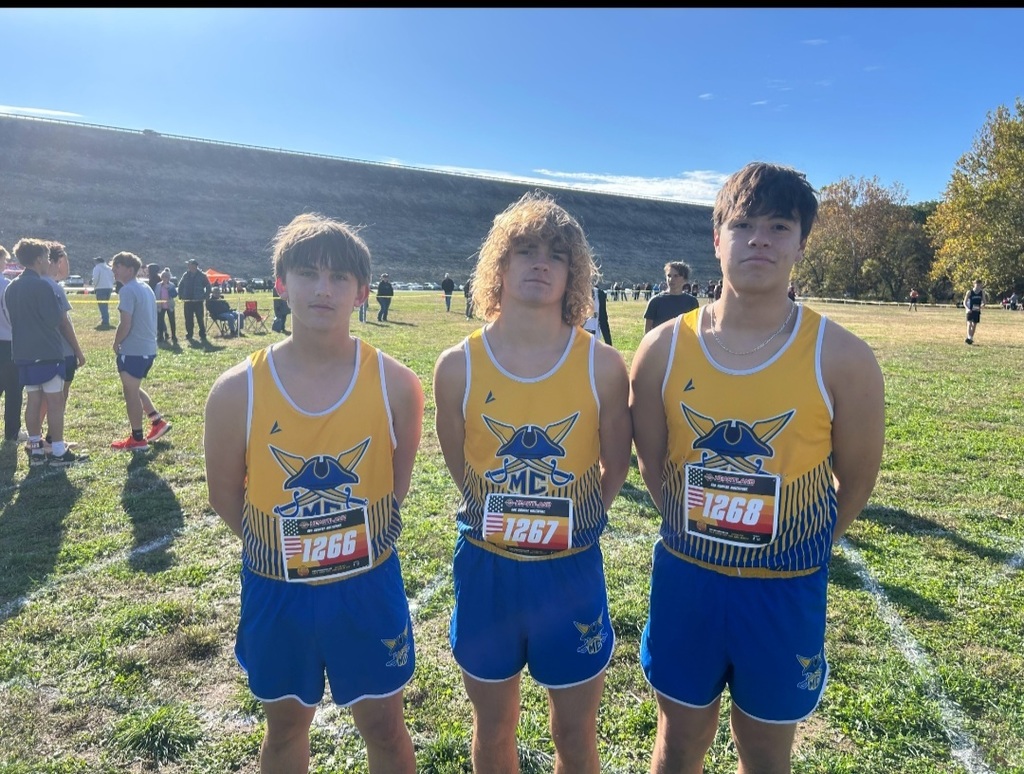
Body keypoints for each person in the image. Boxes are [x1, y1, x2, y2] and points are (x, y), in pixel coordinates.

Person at [629, 162, 885, 774]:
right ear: (716, 239)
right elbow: (652, 463)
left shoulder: (844, 358)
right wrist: (698, 525)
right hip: (688, 581)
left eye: (778, 225)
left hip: (783, 590)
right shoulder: (662, 347)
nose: (760, 240)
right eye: (743, 225)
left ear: (801, 243)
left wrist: (797, 540)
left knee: (767, 755)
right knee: (680, 742)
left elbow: (857, 480)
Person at [204, 212, 423, 773]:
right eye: (307, 274)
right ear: (280, 284)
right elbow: (226, 496)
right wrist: (289, 549)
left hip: (366, 587)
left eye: (339, 278)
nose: (323, 289)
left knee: (386, 729)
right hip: (278, 592)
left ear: (361, 292)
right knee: (283, 734)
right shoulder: (236, 390)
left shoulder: (397, 384)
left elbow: (395, 488)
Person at [433, 190, 632, 773]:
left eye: (556, 254)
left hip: (568, 573)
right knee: (493, 728)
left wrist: (573, 520)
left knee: (574, 731)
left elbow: (615, 466)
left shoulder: (601, 363)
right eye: (525, 250)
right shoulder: (456, 365)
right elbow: (459, 463)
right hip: (487, 568)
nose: (540, 263)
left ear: (574, 273)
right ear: (500, 265)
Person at [5, 238, 84, 466]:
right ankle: (58, 450)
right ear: (39, 259)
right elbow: (54, 320)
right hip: (47, 351)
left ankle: (36, 448)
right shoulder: (42, 285)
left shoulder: (12, 286)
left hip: (22, 352)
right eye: (46, 258)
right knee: (55, 401)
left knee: (32, 400)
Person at [110, 251, 172, 451]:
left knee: (130, 392)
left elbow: (125, 324)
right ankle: (156, 421)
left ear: (130, 269)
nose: (113, 269)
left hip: (134, 349)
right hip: (147, 348)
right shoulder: (145, 287)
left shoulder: (127, 290)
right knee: (133, 388)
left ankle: (137, 438)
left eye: (117, 266)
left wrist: (116, 342)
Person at [33, 242, 86, 455]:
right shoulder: (51, 286)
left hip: (42, 349)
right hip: (61, 350)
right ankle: (50, 440)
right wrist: (78, 350)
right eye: (60, 260)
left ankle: (43, 438)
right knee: (56, 397)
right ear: (53, 261)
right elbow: (64, 323)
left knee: (45, 397)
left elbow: (64, 273)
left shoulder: (37, 283)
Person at [0, 245, 25, 444]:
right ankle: (12, 432)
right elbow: (12, 316)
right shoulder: (6, 285)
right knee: (14, 389)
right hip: (7, 342)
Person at [644, 261, 700, 334]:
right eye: (669, 276)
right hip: (661, 343)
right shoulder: (655, 301)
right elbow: (647, 330)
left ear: (685, 279)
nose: (671, 279)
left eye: (676, 276)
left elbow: (695, 327)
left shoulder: (692, 302)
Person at [178, 258, 211, 342]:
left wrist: (205, 296)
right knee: (188, 319)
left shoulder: (202, 275)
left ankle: (202, 334)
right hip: (188, 300)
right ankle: (189, 334)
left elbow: (208, 286)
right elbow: (180, 285)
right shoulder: (186, 275)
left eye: (190, 264)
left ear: (194, 266)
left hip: (198, 301)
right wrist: (181, 295)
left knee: (200, 318)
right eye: (188, 265)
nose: (188, 266)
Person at [582, 279, 612, 345]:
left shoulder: (599, 294)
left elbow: (603, 320)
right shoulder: (571, 294)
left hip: (594, 340)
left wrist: (609, 343)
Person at [91, 255, 116, 328]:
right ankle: (105, 319)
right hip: (109, 288)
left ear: (98, 261)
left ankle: (105, 321)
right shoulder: (109, 268)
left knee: (102, 306)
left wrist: (94, 285)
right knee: (105, 305)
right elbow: (113, 278)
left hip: (100, 288)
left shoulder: (97, 268)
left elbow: (95, 278)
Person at [155, 268, 178, 343]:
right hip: (160, 307)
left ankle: (174, 336)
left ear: (169, 278)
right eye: (163, 277)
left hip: (169, 306)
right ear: (161, 277)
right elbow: (156, 295)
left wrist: (169, 289)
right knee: (160, 321)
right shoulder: (158, 285)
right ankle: (160, 336)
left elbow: (174, 295)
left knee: (172, 321)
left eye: (166, 277)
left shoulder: (171, 285)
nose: (165, 278)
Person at [963, 279, 986, 344]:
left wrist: (982, 306)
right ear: (974, 284)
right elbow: (964, 302)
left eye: (979, 285)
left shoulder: (982, 292)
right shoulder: (969, 292)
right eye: (977, 284)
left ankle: (971, 337)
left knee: (974, 324)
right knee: (969, 323)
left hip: (977, 310)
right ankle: (969, 337)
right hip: (970, 310)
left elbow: (984, 302)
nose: (978, 286)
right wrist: (967, 308)